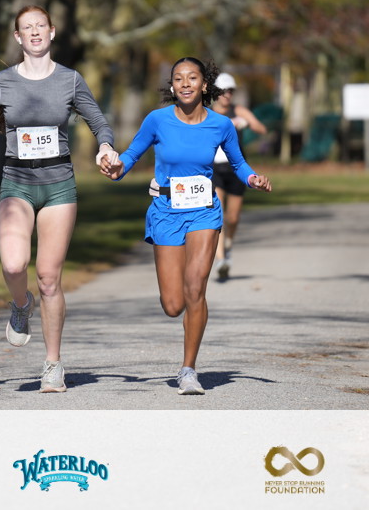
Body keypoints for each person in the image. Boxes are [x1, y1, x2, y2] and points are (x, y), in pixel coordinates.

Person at [0, 5, 119, 393]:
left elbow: (98, 121)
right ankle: (21, 305)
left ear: (52, 32)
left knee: (48, 278)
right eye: (27, 27)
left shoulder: (70, 79)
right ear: (18, 37)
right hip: (17, 184)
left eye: (41, 25)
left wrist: (106, 146)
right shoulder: (3, 81)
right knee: (13, 265)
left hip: (59, 185)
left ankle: (53, 365)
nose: (35, 32)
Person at [100, 57, 272, 395]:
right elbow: (131, 154)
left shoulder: (221, 124)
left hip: (204, 211)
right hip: (166, 211)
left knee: (195, 289)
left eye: (192, 78)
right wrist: (117, 169)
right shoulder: (157, 120)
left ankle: (189, 370)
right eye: (178, 78)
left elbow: (238, 162)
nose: (185, 83)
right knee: (173, 305)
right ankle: (186, 351)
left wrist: (253, 178)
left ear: (204, 85)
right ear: (172, 86)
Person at [210, 72, 267, 280]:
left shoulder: (238, 110)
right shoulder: (207, 113)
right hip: (214, 169)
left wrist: (245, 122)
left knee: (232, 217)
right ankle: (221, 260)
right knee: (217, 213)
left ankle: (228, 246)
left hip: (236, 169)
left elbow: (262, 129)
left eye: (230, 91)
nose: (226, 95)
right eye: (223, 91)